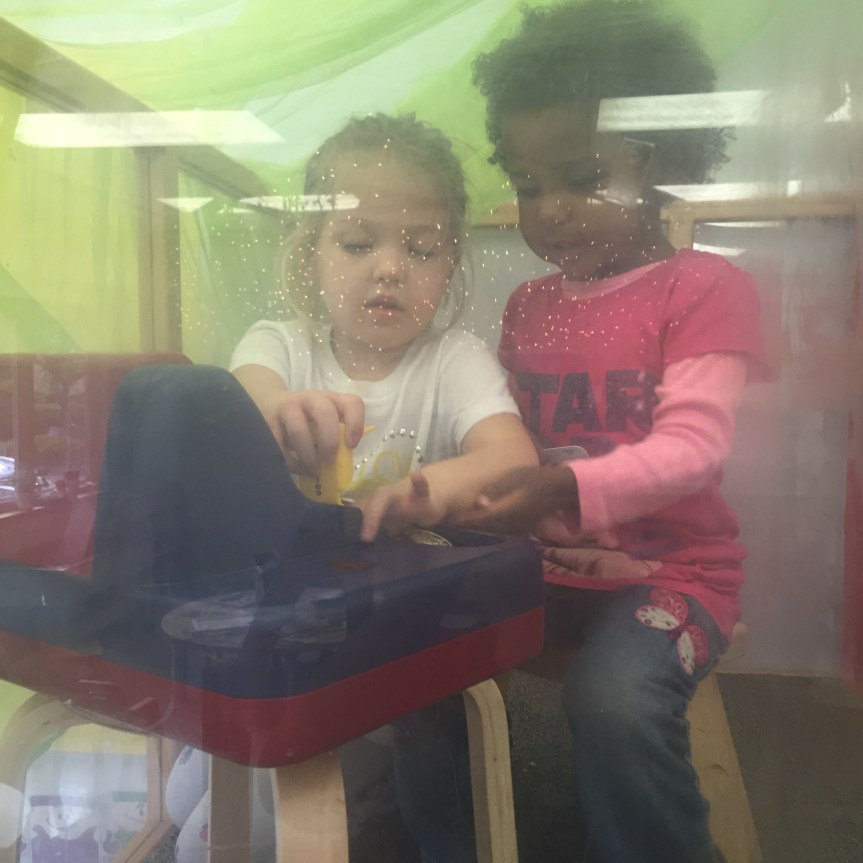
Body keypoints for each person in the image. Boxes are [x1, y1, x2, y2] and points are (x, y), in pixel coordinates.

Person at [165, 111, 538, 863]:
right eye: (358, 242)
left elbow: (511, 457)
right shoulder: (279, 342)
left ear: (450, 263)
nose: (390, 268)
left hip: (396, 640)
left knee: (235, 834)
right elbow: (246, 396)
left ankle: (362, 793)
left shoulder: (453, 358)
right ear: (310, 252)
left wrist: (428, 489)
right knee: (184, 804)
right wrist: (281, 412)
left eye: (420, 248)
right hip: (280, 633)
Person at [466, 3, 766, 862]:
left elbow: (694, 450)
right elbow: (505, 438)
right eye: (529, 186)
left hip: (675, 575)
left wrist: (562, 485)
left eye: (581, 177)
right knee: (416, 649)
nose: (551, 210)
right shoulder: (527, 304)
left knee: (613, 699)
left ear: (659, 162)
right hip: (547, 568)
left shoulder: (700, 288)